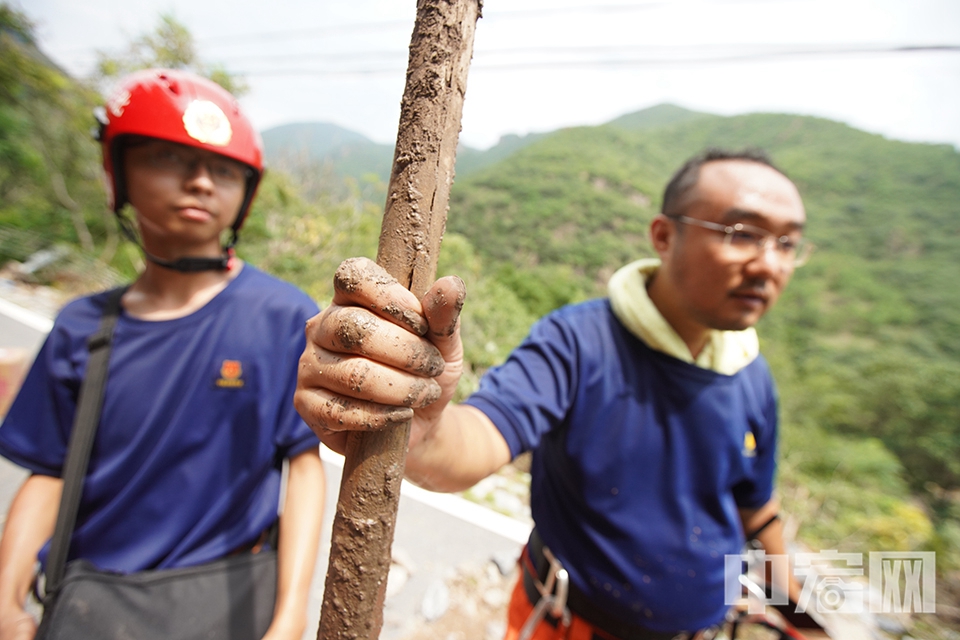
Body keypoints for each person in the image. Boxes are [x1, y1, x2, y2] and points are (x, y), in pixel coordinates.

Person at [295, 149, 827, 639]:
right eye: (741, 232)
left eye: (786, 243)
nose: (770, 264)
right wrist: (425, 429)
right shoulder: (580, 342)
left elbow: (756, 510)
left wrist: (798, 607)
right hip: (565, 623)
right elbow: (482, 434)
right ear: (664, 236)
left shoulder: (751, 374)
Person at [0, 69, 324, 640]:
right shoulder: (83, 328)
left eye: (224, 171)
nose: (201, 182)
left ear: (244, 194)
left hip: (222, 603)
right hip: (88, 603)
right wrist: (5, 597)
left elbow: (303, 466)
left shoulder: (280, 317)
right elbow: (49, 473)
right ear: (119, 173)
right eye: (170, 158)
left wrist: (291, 613)